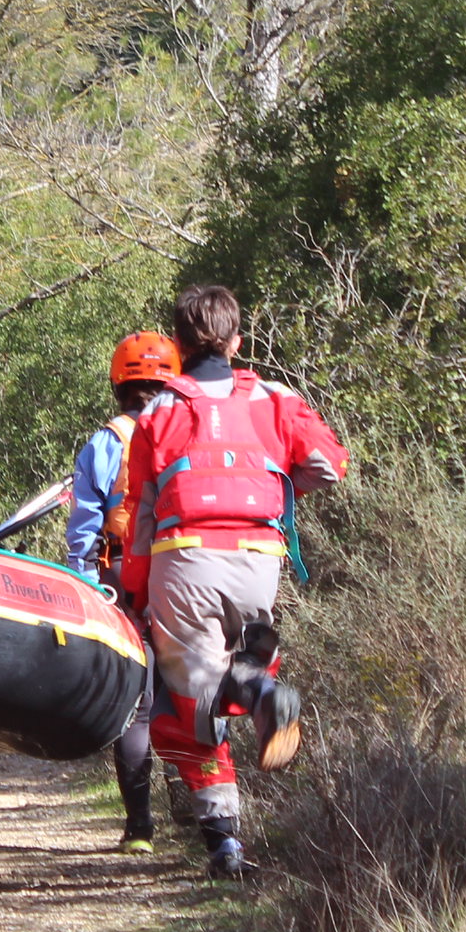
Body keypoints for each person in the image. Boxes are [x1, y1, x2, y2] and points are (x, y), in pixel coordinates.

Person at [116, 283, 349, 879]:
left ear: (178, 345)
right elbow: (330, 464)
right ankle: (257, 684)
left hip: (184, 558)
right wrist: (279, 490)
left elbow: (141, 513)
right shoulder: (275, 397)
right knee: (230, 678)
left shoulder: (160, 411)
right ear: (236, 341)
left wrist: (134, 592)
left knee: (187, 714)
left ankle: (225, 844)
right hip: (257, 560)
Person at [71, 331, 180, 853]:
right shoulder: (190, 431)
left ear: (118, 384)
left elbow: (84, 531)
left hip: (124, 585)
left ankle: (140, 827)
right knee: (187, 698)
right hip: (185, 576)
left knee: (138, 705)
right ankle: (198, 819)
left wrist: (88, 587)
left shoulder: (104, 442)